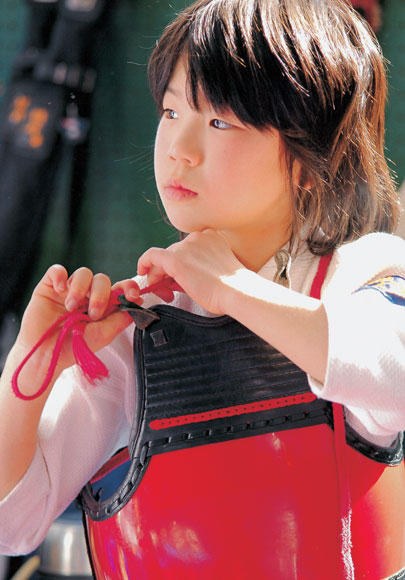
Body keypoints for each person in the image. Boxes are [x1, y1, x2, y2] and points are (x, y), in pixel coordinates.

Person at [0, 0, 404, 578]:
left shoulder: (364, 272)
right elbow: (12, 524)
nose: (178, 148)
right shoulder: (138, 328)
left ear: (310, 159)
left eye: (220, 121)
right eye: (171, 111)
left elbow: (392, 372)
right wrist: (29, 370)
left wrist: (232, 287)